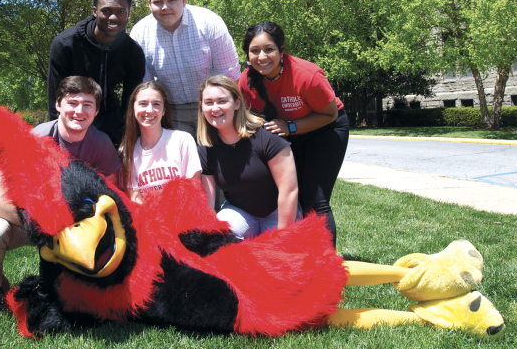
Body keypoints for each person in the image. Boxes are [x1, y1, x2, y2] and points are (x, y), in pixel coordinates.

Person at [0, 76, 121, 315]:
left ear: (96, 111)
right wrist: (47, 228)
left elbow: (114, 198)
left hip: (74, 227)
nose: (79, 111)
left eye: (87, 104)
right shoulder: (33, 138)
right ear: (58, 105)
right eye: (72, 103)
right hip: (26, 222)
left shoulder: (101, 143)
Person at [238, 22, 349, 247]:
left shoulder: (307, 75)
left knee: (315, 201)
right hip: (288, 134)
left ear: (281, 50)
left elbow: (329, 115)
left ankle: (326, 268)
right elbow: (249, 117)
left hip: (326, 129)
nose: (262, 56)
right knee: (292, 197)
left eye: (269, 49)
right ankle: (300, 257)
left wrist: (291, 127)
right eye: (255, 51)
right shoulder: (246, 81)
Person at [130, 0, 240, 137]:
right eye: (158, 2)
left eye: (172, 0)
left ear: (184, 0)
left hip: (212, 106)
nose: (165, 7)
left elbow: (229, 74)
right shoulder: (139, 33)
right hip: (171, 111)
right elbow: (145, 86)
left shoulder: (210, 23)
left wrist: (223, 109)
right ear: (149, 4)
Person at [197, 75, 301, 239]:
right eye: (209, 102)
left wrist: (283, 239)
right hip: (239, 212)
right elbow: (207, 202)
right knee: (220, 244)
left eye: (222, 101)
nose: (215, 108)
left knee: (277, 259)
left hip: (278, 212)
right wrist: (207, 238)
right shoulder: (206, 147)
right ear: (201, 106)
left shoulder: (267, 136)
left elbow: (289, 190)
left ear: (237, 103)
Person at [47, 0, 146, 146]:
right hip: (74, 118)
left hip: (110, 124)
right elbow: (55, 97)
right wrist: (58, 139)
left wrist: (127, 139)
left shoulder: (132, 52)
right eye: (106, 11)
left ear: (128, 13)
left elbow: (130, 102)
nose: (113, 17)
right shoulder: (65, 44)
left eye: (121, 11)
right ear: (94, 11)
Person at [119, 82, 201, 203]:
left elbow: (194, 190)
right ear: (133, 108)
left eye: (156, 104)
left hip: (184, 215)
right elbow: (135, 200)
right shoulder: (125, 151)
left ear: (164, 110)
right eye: (143, 104)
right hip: (149, 219)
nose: (150, 110)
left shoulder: (183, 140)